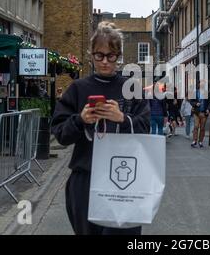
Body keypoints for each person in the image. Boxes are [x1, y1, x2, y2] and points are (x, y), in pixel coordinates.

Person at [51, 22, 150, 236]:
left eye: (111, 56)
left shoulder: (131, 88)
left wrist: (122, 118)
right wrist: (80, 119)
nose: (105, 62)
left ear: (119, 56)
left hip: (125, 179)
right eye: (99, 55)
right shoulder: (78, 88)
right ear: (91, 55)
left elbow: (148, 130)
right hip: (85, 178)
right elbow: (60, 133)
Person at [190, 80, 210, 149]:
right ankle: (194, 141)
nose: (202, 84)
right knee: (196, 126)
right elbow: (191, 101)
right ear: (198, 84)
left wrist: (208, 109)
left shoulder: (206, 93)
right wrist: (196, 104)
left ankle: (200, 141)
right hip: (196, 112)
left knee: (202, 128)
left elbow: (209, 103)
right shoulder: (195, 92)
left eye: (203, 83)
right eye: (201, 83)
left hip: (204, 113)